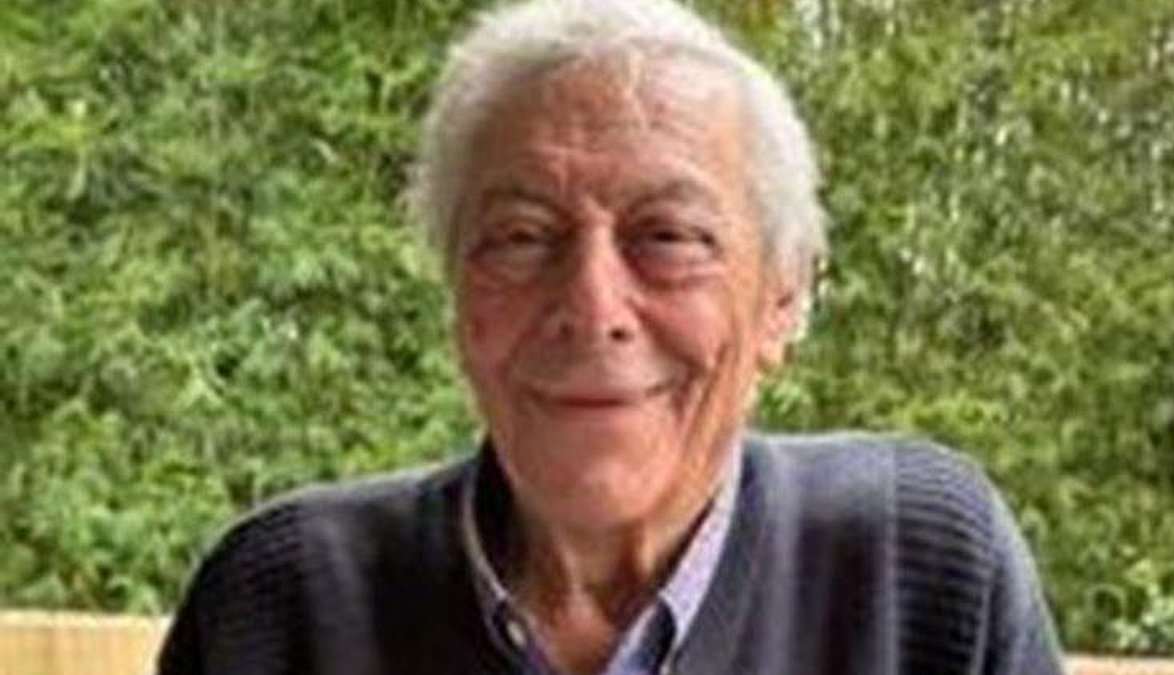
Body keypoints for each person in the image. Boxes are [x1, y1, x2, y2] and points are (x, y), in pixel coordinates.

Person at [157, 1, 1065, 673]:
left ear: (781, 300)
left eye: (668, 236)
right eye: (521, 237)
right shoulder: (282, 606)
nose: (593, 306)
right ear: (458, 291)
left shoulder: (919, 572)